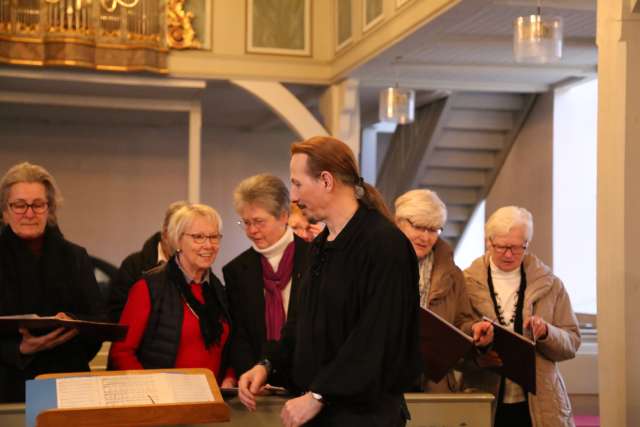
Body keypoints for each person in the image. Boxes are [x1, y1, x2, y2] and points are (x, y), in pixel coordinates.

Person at [238, 136, 421, 427]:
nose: (294, 197)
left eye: (297, 184)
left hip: (363, 417)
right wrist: (268, 365)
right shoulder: (320, 246)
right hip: (323, 412)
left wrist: (319, 395)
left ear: (326, 180)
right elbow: (301, 325)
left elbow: (376, 337)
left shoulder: (384, 244)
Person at [464, 206, 580, 427]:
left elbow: (572, 342)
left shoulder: (550, 284)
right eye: (502, 247)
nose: (509, 254)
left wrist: (547, 332)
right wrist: (477, 343)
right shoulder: (465, 282)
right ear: (489, 242)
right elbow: (454, 338)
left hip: (540, 403)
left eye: (518, 248)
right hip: (484, 396)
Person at [0, 162, 105, 402]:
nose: (29, 213)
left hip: (68, 382)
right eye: (19, 205)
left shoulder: (75, 257)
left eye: (38, 204)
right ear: (5, 212)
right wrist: (18, 350)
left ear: (50, 209)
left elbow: (99, 319)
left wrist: (72, 325)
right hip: (8, 385)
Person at [108, 204, 234, 386]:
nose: (208, 245)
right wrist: (154, 391)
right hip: (164, 403)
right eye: (198, 237)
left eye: (214, 237)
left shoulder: (219, 291)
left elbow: (228, 349)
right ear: (178, 240)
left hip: (212, 402)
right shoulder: (148, 288)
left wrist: (229, 377)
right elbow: (122, 352)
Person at [223, 174, 310, 381]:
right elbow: (240, 335)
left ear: (283, 216)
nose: (252, 230)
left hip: (308, 379)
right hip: (257, 383)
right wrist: (249, 374)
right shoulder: (236, 270)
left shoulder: (315, 258)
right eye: (246, 222)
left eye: (259, 222)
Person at [394, 189, 475, 392]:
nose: (425, 237)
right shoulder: (377, 264)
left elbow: (462, 322)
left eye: (433, 230)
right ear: (398, 223)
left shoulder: (453, 274)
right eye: (419, 227)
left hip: (434, 382)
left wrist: (474, 331)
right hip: (387, 380)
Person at [108, 200, 187, 322]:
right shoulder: (133, 265)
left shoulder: (196, 267)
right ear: (165, 234)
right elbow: (116, 315)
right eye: (181, 235)